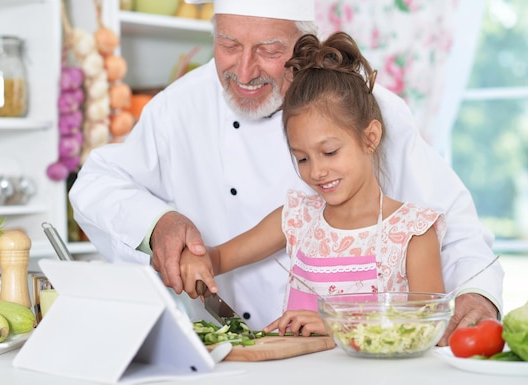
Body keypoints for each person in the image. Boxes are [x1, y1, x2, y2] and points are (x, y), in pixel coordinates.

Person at [68, 0, 503, 345]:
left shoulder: (368, 108)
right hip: (228, 353)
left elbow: (450, 220)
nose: (243, 71)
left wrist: (476, 294)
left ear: (304, 44)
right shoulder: (178, 106)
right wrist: (158, 224)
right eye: (228, 45)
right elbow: (97, 182)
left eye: (270, 51)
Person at [178, 31, 447, 336]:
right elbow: (219, 257)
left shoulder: (411, 232)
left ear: (370, 137)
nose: (316, 171)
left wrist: (339, 326)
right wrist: (197, 260)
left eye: (330, 152)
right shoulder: (296, 218)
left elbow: (429, 329)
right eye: (302, 158)